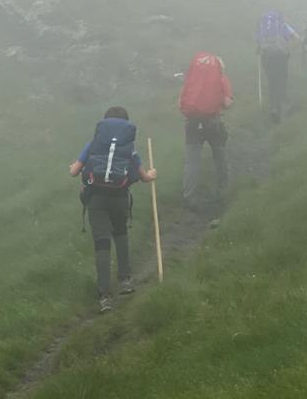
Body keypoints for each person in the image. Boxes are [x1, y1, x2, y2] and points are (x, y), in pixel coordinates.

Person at [69, 106, 157, 313]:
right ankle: (125, 280)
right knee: (121, 234)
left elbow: (74, 172)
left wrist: (73, 166)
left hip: (96, 199)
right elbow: (144, 177)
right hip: (119, 197)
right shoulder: (129, 147)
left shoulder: (93, 144)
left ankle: (104, 295)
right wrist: (152, 174)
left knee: (102, 243)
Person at [178, 51, 234, 210]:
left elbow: (180, 103)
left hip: (192, 124)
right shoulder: (222, 79)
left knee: (192, 162)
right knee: (220, 156)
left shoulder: (191, 80)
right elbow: (227, 103)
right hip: (213, 123)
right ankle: (223, 188)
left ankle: (188, 196)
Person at [256, 10, 300, 123]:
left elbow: (258, 42)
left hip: (266, 58)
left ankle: (273, 108)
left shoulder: (263, 26)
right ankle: (279, 109)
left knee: (272, 83)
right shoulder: (283, 25)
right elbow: (296, 37)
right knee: (281, 82)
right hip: (281, 57)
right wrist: (290, 49)